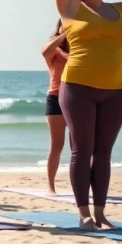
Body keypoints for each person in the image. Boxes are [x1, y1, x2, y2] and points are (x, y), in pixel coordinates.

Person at [52, 0, 122, 230]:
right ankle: (83, 214)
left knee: (104, 154)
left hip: (115, 91)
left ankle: (102, 213)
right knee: (82, 150)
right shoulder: (70, 9)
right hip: (77, 88)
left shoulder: (120, 10)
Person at [41, 20, 70, 196]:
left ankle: (83, 185)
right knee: (57, 145)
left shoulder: (79, 48)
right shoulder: (54, 50)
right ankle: (51, 186)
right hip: (55, 98)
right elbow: (45, 51)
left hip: (77, 99)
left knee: (79, 146)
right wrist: (65, 33)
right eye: (64, 25)